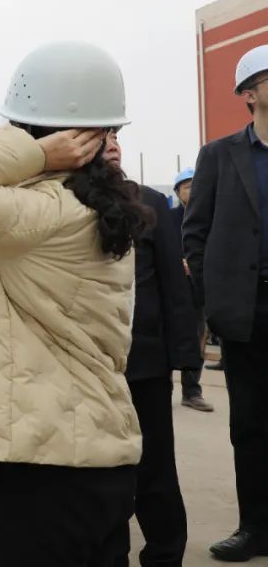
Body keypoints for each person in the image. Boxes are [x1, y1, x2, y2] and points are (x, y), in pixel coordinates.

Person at [0, 42, 150, 565]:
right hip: (89, 447)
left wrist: (38, 152)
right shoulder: (95, 207)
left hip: (41, 461)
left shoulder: (49, 210)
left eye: (18, 129)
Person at [184, 43, 268, 562]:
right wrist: (214, 300)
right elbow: (195, 234)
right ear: (248, 94)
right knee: (251, 425)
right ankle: (255, 528)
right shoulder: (219, 155)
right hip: (247, 310)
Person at [105, 132, 200, 566]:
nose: (111, 144)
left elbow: (173, 285)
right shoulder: (63, 202)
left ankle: (164, 554)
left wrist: (183, 357)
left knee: (156, 468)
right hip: (90, 367)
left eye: (115, 136)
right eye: (100, 136)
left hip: (145, 363)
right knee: (103, 471)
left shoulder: (150, 202)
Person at [171, 168, 217, 403]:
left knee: (197, 337)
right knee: (169, 336)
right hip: (173, 287)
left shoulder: (210, 218)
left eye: (195, 185)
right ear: (177, 192)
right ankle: (163, 389)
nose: (192, 190)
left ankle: (192, 391)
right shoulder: (168, 217)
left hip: (198, 287)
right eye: (187, 186)